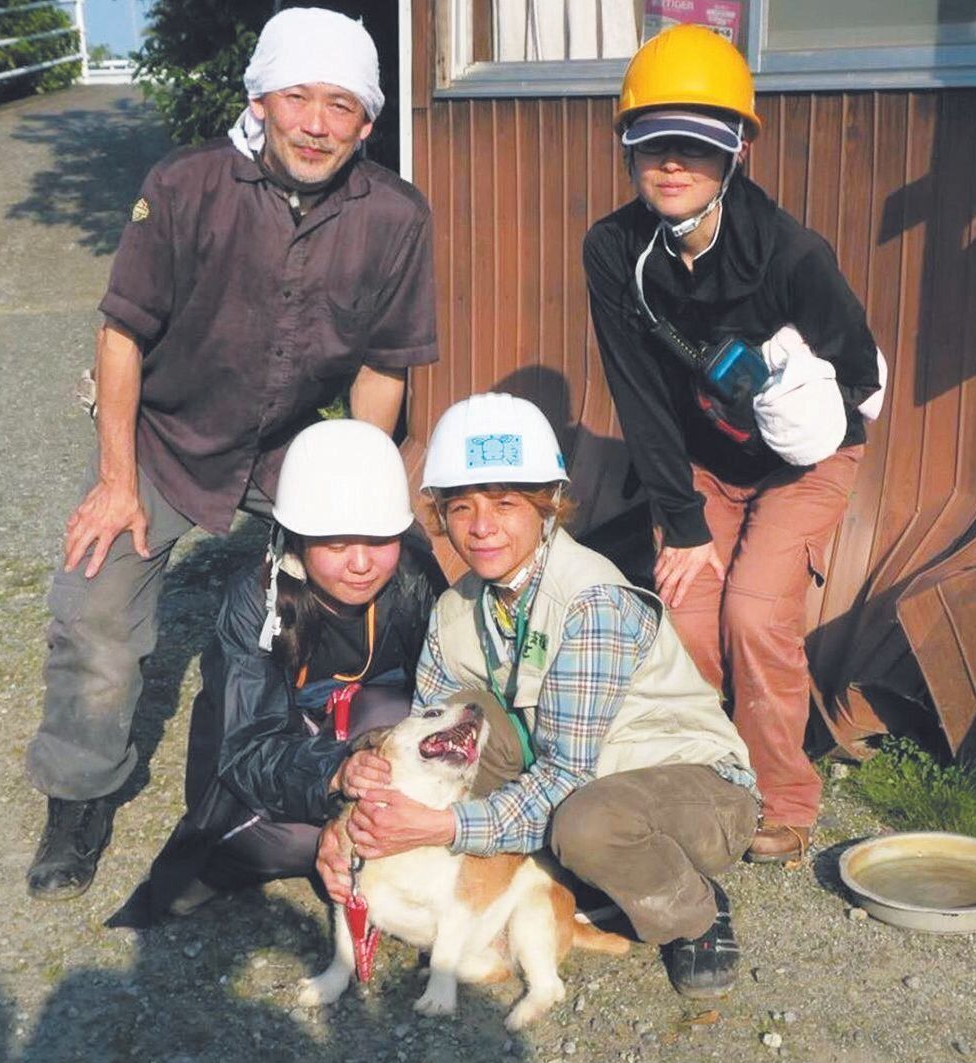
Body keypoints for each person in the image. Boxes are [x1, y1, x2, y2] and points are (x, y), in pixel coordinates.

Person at [25, 6, 438, 900]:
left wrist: (356, 505)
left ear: (367, 120)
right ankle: (80, 791)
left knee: (393, 575)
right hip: (167, 438)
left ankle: (350, 752)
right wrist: (114, 481)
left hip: (293, 444)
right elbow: (121, 335)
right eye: (298, 97)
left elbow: (381, 366)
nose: (317, 123)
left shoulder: (396, 215)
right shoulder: (184, 185)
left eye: (341, 105)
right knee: (96, 607)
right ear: (260, 97)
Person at [317, 393, 760, 998]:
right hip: (574, 786)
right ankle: (557, 883)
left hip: (687, 789)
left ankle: (694, 909)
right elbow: (425, 739)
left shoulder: (592, 602)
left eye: (506, 504)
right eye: (461, 506)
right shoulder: (454, 611)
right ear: (441, 515)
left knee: (587, 826)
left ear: (549, 505)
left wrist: (442, 827)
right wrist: (357, 817)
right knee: (458, 722)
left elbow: (567, 776)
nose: (481, 526)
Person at [582, 24, 884, 863]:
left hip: (807, 460)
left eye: (697, 146)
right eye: (653, 145)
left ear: (737, 150)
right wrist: (678, 522)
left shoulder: (791, 254)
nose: (672, 164)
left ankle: (784, 796)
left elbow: (861, 375)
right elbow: (637, 393)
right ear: (627, 149)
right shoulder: (614, 250)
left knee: (753, 614)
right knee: (682, 616)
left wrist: (804, 401)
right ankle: (701, 780)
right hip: (702, 461)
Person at [109, 419, 444, 927]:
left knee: (396, 718)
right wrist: (336, 776)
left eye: (378, 540)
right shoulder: (254, 602)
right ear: (297, 539)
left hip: (360, 735)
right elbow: (245, 748)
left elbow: (442, 698)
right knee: (296, 838)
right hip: (278, 759)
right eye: (335, 544)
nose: (361, 564)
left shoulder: (413, 579)